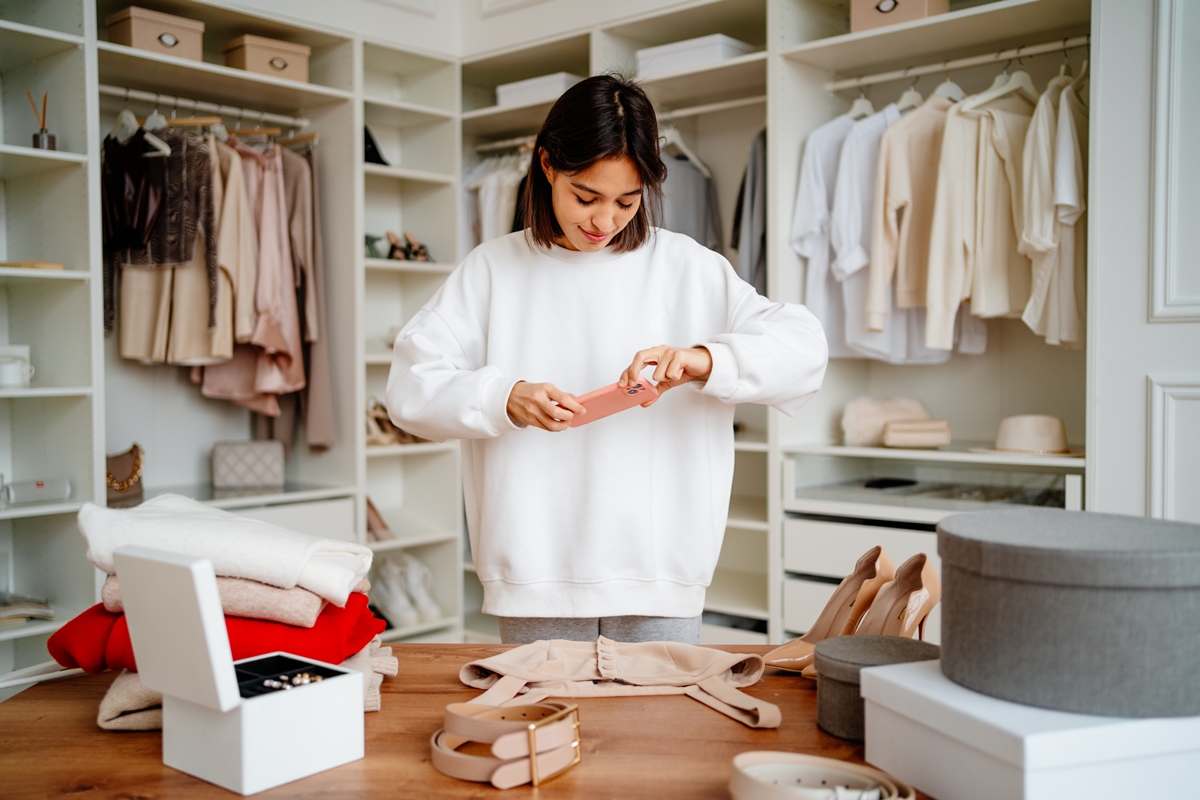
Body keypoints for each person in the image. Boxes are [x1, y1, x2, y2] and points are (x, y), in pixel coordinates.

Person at [386, 75, 828, 644]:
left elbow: (804, 348)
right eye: (585, 197)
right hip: (535, 572)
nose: (604, 221)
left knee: (655, 732)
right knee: (544, 730)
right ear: (546, 166)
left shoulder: (687, 267)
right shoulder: (492, 269)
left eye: (627, 200)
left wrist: (705, 359)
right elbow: (409, 390)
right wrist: (504, 397)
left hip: (659, 570)